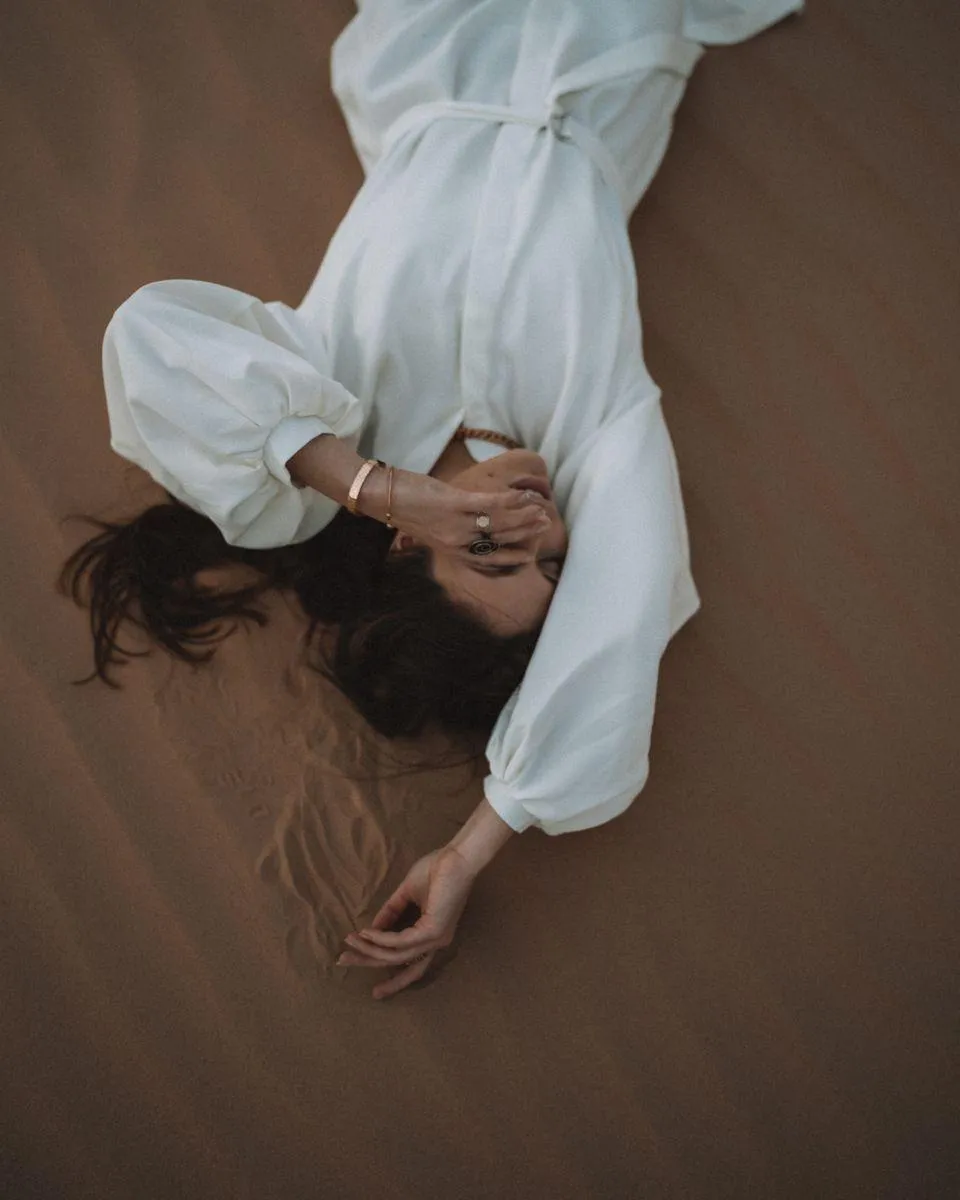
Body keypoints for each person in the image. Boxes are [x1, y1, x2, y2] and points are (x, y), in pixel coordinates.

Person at [61, 0, 804, 999]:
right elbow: (617, 629)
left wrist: (381, 488)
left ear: (409, 546)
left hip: (439, 40)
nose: (540, 526)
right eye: (553, 563)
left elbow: (152, 336)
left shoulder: (334, 399)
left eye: (491, 548)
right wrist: (468, 850)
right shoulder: (598, 424)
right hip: (608, 55)